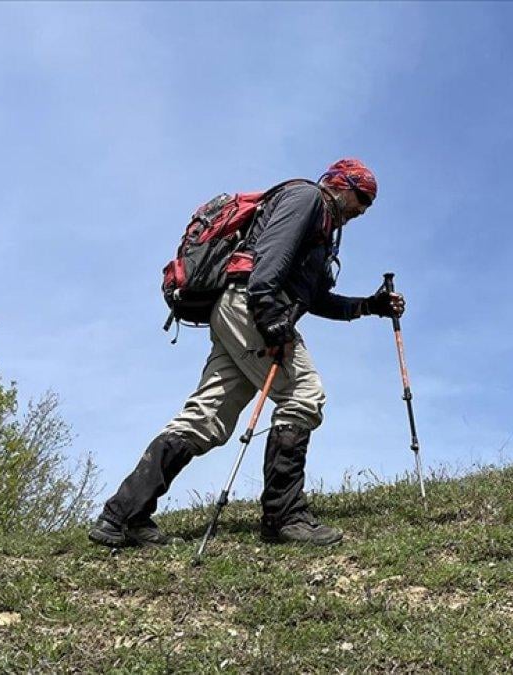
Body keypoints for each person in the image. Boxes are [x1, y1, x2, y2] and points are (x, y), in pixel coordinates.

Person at [88, 158, 404, 548]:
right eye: (362, 197)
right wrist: (269, 317)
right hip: (252, 306)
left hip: (240, 308)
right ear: (340, 184)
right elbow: (270, 256)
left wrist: (368, 306)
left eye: (370, 203)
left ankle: (122, 517)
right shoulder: (308, 198)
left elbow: (315, 298)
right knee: (303, 394)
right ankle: (284, 516)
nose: (363, 209)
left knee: (207, 417)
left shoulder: (324, 230)